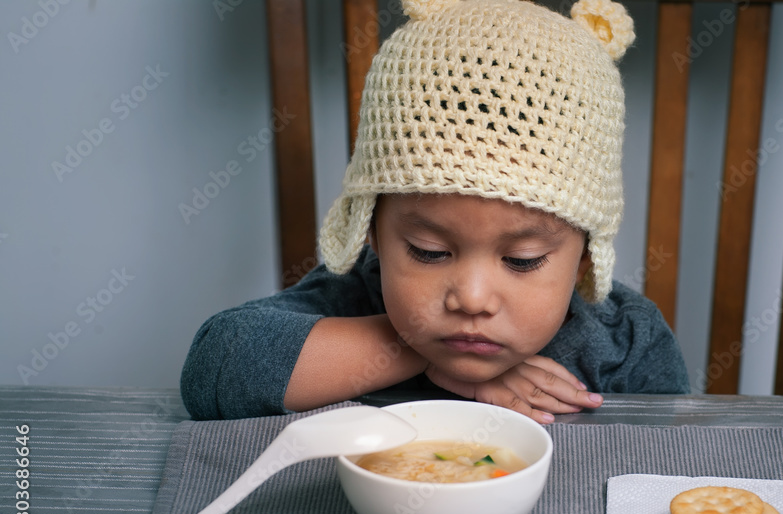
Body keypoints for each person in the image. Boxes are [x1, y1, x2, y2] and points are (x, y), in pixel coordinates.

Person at [180, 0, 689, 424]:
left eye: (523, 259)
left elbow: (668, 464)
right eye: (429, 252)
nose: (471, 299)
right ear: (373, 233)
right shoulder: (351, 298)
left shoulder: (624, 342)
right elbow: (213, 370)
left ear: (584, 258)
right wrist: (417, 350)